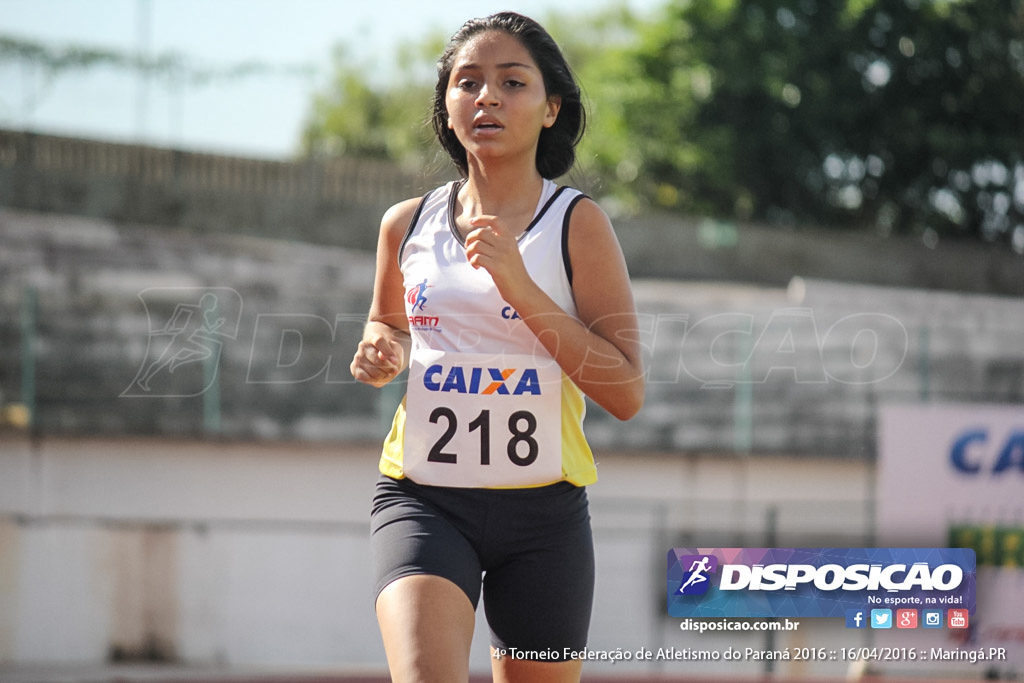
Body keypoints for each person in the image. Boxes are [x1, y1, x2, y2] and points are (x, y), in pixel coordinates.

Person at [350, 12, 644, 683]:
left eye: (512, 82)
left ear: (550, 109)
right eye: (468, 83)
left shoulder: (577, 224)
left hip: (545, 513)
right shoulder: (406, 223)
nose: (486, 97)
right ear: (446, 108)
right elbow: (388, 324)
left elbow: (626, 391)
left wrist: (518, 284)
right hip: (424, 498)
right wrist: (380, 348)